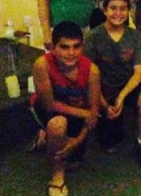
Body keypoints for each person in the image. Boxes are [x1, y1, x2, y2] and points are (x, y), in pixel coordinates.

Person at [84, 0, 141, 167]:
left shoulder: (135, 35)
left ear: (129, 11)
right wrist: (104, 104)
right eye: (113, 8)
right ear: (105, 10)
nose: (118, 13)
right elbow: (89, 76)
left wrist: (122, 97)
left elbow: (139, 72)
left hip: (128, 85)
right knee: (110, 144)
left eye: (123, 9)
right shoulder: (93, 36)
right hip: (103, 89)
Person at [32, 21, 100, 196]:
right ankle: (57, 177)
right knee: (58, 124)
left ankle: (48, 137)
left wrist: (76, 141)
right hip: (49, 109)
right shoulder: (42, 64)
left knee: (74, 163)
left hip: (76, 112)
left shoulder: (92, 71)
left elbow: (94, 114)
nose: (71, 53)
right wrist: (84, 113)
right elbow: (49, 104)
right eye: (64, 47)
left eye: (76, 47)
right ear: (53, 48)